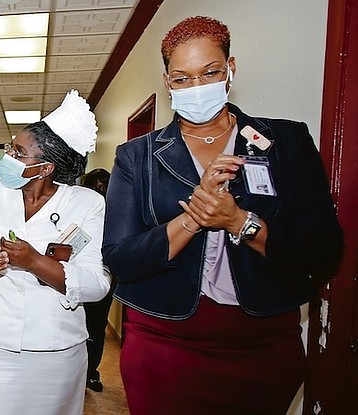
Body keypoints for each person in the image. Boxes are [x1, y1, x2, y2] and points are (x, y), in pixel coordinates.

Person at [102, 16, 344, 415]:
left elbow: (323, 251)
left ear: (230, 69)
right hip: (164, 344)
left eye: (209, 73)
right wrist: (194, 217)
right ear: (167, 82)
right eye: (182, 79)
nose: (196, 88)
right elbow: (121, 258)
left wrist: (239, 222)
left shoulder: (285, 143)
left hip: (263, 346)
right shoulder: (138, 156)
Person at [0, 90, 111, 414]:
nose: (7, 155)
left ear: (46, 168)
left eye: (18, 152)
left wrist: (34, 261)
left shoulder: (86, 203)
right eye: (11, 146)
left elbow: (97, 285)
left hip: (58, 352)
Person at [80, 168, 115, 392]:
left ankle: (91, 371)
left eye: (104, 188)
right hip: (77, 275)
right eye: (94, 187)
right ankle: (75, 371)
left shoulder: (117, 214)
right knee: (77, 325)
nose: (99, 192)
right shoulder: (79, 212)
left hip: (105, 276)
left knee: (96, 326)